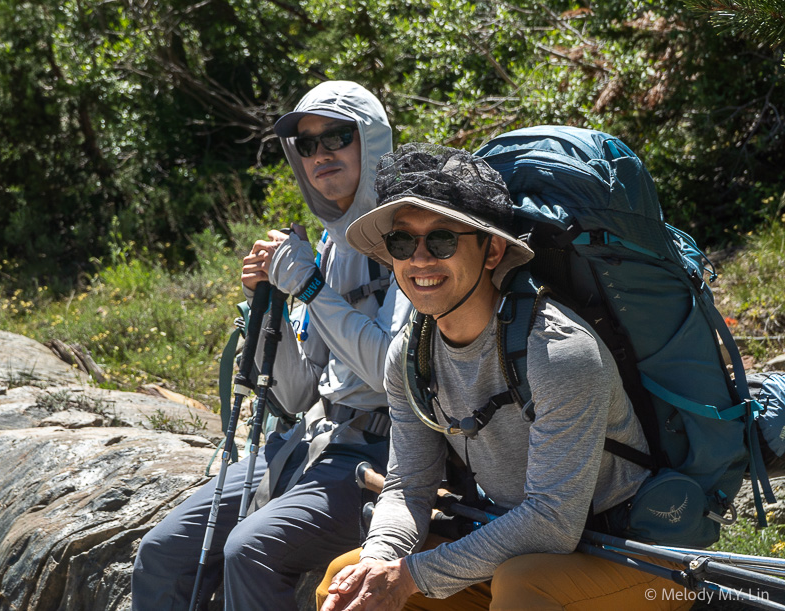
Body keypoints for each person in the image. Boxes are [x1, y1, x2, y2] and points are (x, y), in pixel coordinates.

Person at [317, 143, 692, 610]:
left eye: (442, 240)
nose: (419, 259)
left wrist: (410, 576)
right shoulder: (410, 356)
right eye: (401, 242)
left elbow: (552, 522)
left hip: (634, 561)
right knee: (342, 580)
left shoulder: (558, 352)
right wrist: (379, 560)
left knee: (522, 589)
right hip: (517, 552)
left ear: (492, 249)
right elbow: (407, 487)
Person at [131, 80, 413, 610]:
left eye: (336, 137)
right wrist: (273, 310)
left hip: (388, 455)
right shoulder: (330, 244)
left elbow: (388, 373)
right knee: (163, 551)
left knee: (250, 550)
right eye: (306, 145)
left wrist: (309, 288)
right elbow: (298, 392)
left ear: (371, 142)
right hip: (316, 441)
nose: (320, 154)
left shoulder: (411, 240)